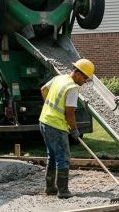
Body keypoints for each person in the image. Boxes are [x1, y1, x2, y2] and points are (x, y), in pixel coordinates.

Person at [39, 58, 95, 199]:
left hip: (44, 121)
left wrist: (49, 107)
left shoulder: (59, 78)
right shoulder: (72, 88)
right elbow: (69, 113)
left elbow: (43, 89)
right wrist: (74, 129)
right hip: (56, 126)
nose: (85, 81)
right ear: (77, 73)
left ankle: (50, 188)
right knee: (63, 157)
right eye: (85, 78)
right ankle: (63, 191)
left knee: (52, 156)